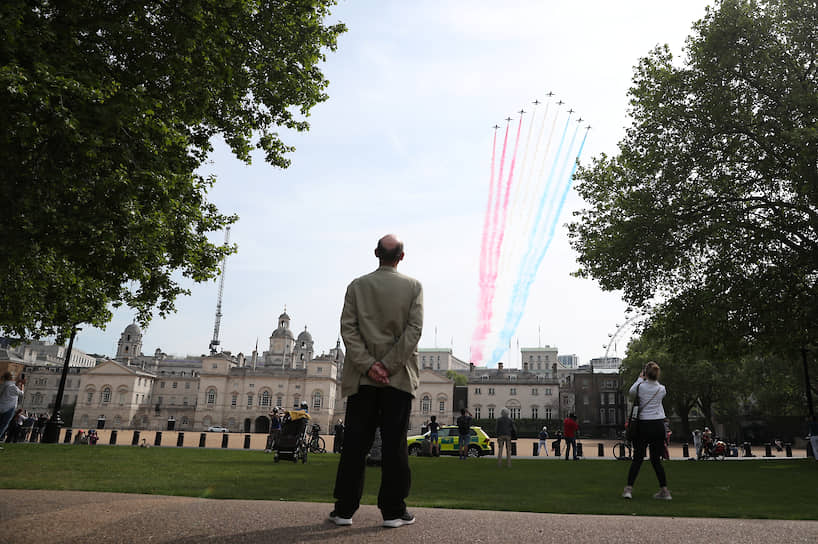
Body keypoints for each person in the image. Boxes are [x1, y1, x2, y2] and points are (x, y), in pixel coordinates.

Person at [329, 234, 423, 529]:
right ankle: (393, 511)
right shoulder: (413, 286)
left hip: (362, 379)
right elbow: (414, 330)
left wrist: (370, 366)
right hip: (398, 378)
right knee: (395, 445)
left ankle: (344, 510)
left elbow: (348, 331)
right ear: (402, 257)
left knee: (355, 445)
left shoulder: (357, 286)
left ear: (375, 254)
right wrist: (389, 365)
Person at [622, 361, 672, 500]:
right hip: (658, 425)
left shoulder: (640, 387)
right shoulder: (662, 389)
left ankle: (628, 489)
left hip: (643, 424)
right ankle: (665, 491)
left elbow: (632, 394)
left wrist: (639, 378)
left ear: (645, 373)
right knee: (656, 460)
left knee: (637, 459)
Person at [0, 371, 25, 447]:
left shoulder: (3, 385)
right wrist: (22, 386)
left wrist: (17, 383)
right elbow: (21, 393)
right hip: (9, 407)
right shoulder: (12, 386)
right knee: (4, 425)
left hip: (1, 405)